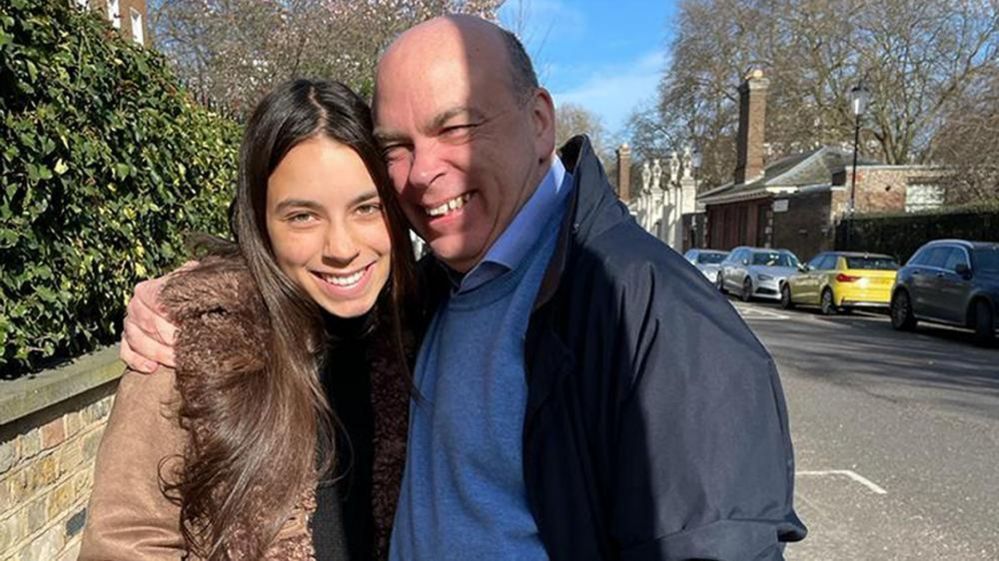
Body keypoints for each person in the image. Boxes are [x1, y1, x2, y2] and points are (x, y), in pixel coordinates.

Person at [122, 15, 807, 561]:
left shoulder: (645, 311)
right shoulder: (439, 292)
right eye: (397, 145)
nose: (424, 172)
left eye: (456, 127)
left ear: (540, 120)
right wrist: (195, 297)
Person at [80, 79, 416, 561]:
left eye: (367, 208)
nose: (341, 248)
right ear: (260, 222)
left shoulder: (422, 329)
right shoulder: (189, 343)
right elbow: (125, 542)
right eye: (302, 216)